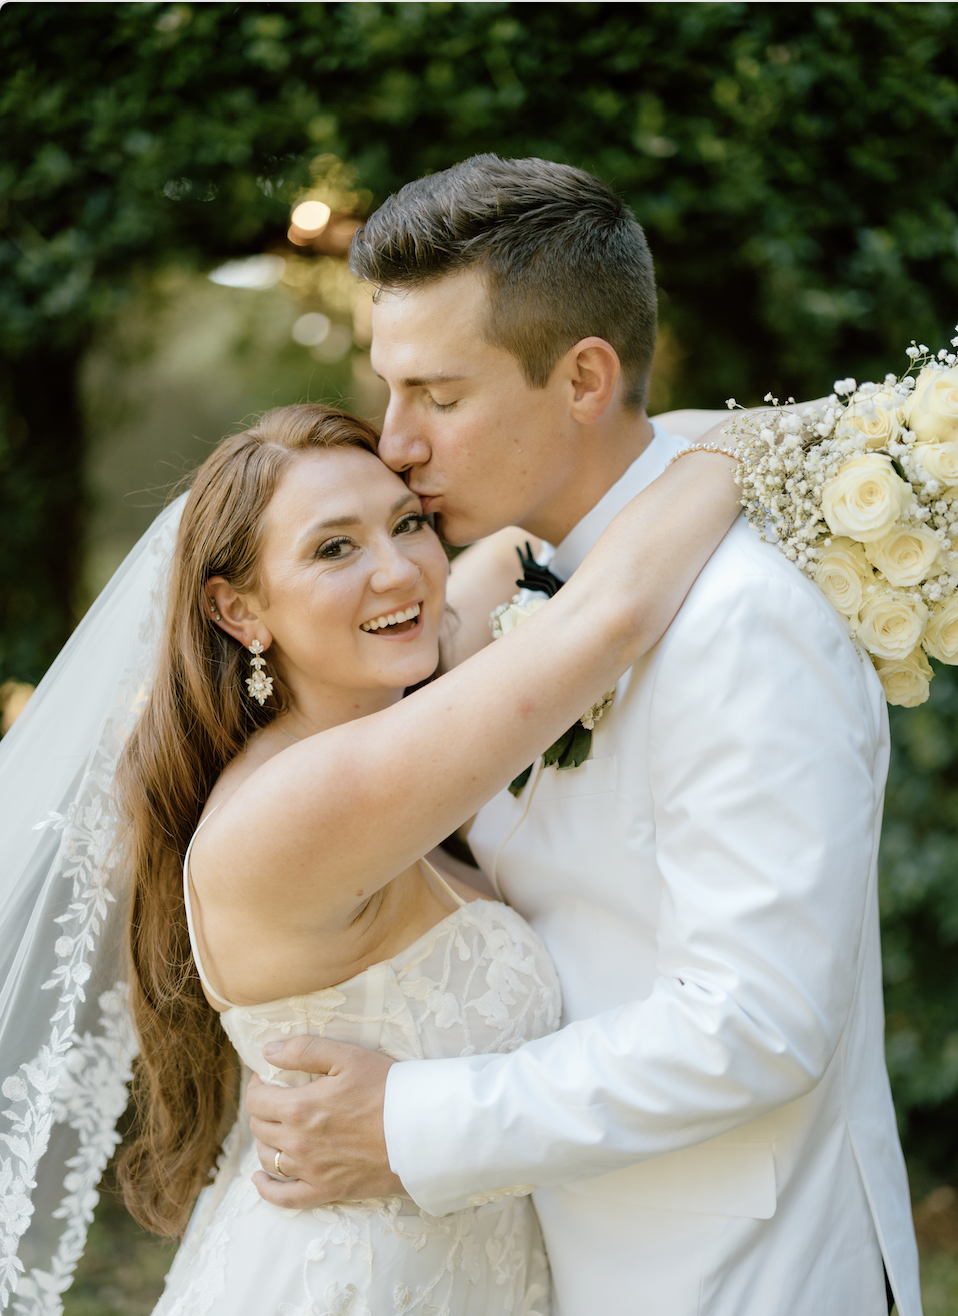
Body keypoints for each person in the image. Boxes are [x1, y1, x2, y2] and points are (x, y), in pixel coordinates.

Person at [247, 156, 922, 1316]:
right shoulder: (512, 586)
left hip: (734, 1275)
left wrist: (407, 1119)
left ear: (583, 378)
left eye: (439, 397)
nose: (394, 441)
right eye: (389, 389)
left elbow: (755, 1023)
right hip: (558, 1254)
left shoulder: (740, 621)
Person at [93, 401, 739, 1316]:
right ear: (238, 609)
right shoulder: (294, 808)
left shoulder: (386, 693)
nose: (397, 571)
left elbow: (578, 498)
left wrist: (847, 420)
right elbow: (613, 616)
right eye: (332, 549)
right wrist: (813, 442)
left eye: (409, 523)